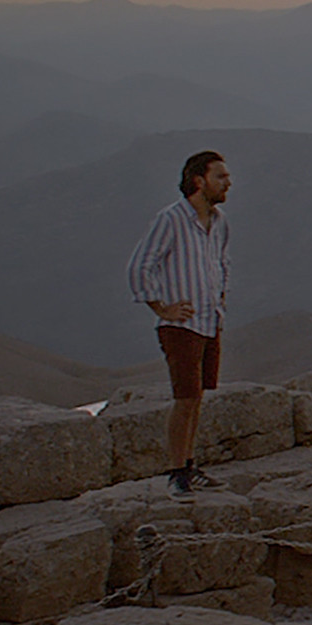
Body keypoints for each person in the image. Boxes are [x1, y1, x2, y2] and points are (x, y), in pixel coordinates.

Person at [126, 150, 233, 502]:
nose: (228, 183)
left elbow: (220, 262)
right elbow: (141, 264)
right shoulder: (171, 220)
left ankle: (189, 465)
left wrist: (220, 298)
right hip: (182, 326)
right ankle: (176, 474)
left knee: (197, 398)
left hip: (207, 319)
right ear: (198, 181)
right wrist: (161, 307)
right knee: (185, 398)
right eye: (220, 177)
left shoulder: (219, 222)